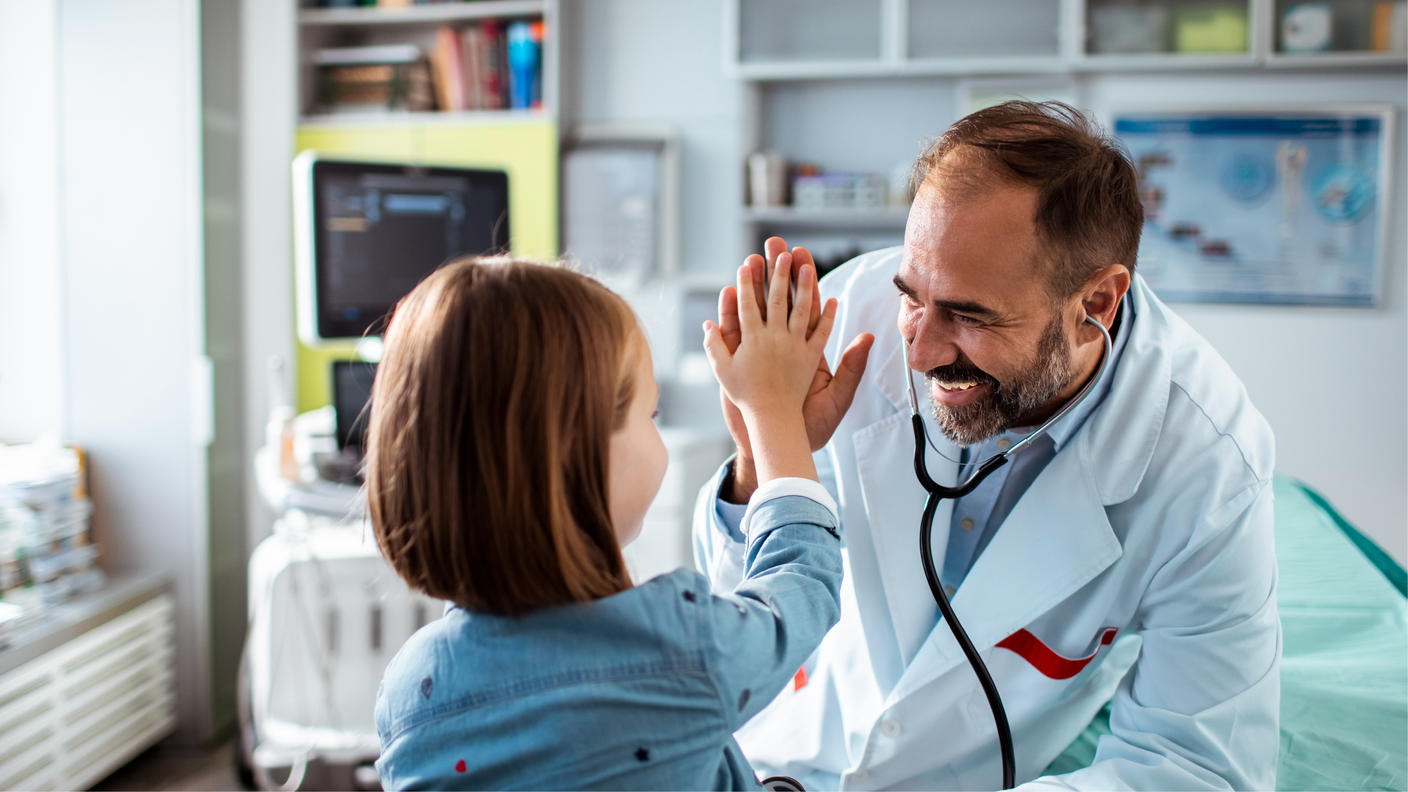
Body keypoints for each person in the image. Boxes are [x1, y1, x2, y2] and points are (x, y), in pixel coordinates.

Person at [693, 101, 1280, 790]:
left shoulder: (1207, 463)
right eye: (913, 296)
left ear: (1097, 303)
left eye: (970, 317)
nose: (918, 350)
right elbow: (729, 617)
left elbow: (1196, 767)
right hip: (781, 753)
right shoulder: (848, 318)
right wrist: (764, 458)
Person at [368, 255, 848, 790]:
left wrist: (759, 453)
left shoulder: (410, 690)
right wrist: (773, 414)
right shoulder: (673, 644)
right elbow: (803, 582)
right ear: (583, 457)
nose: (656, 432)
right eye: (650, 415)